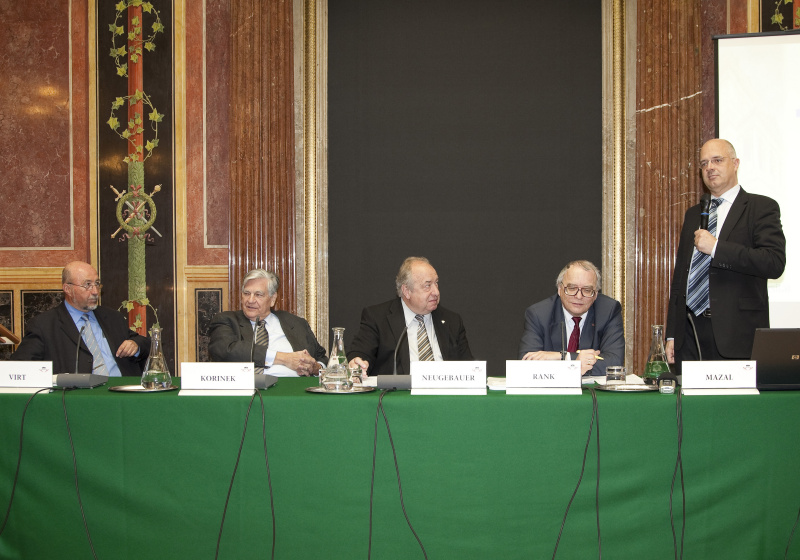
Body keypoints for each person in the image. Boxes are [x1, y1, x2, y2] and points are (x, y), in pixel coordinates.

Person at [666, 139, 785, 365]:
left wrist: (717, 248)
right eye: (704, 163)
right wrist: (672, 333)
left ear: (736, 163)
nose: (710, 167)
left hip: (735, 334)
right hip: (689, 334)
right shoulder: (694, 214)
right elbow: (680, 277)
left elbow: (774, 263)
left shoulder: (761, 208)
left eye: (717, 160)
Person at [11, 261, 150, 376]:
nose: (95, 291)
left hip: (122, 391)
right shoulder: (44, 325)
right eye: (87, 285)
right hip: (77, 397)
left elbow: (143, 343)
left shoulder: (113, 317)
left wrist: (135, 345)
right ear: (67, 289)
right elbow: (20, 367)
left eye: (97, 283)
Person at [347, 256, 473, 376]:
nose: (436, 292)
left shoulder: (452, 321)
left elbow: (469, 368)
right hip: (398, 396)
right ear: (407, 291)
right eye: (427, 285)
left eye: (436, 283)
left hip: (443, 395)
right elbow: (360, 353)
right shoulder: (378, 317)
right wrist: (357, 363)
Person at [208, 269, 327, 376]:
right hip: (247, 392)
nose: (250, 300)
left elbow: (322, 357)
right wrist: (284, 358)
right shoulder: (227, 320)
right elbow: (225, 351)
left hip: (294, 392)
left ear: (273, 299)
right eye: (246, 293)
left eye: (258, 295)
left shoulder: (296, 323)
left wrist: (316, 368)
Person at [518, 260, 624, 376]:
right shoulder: (539, 314)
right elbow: (527, 364)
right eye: (572, 288)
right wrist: (577, 362)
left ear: (596, 294)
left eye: (587, 290)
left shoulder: (608, 311)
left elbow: (614, 364)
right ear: (560, 289)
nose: (579, 296)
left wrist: (562, 357)